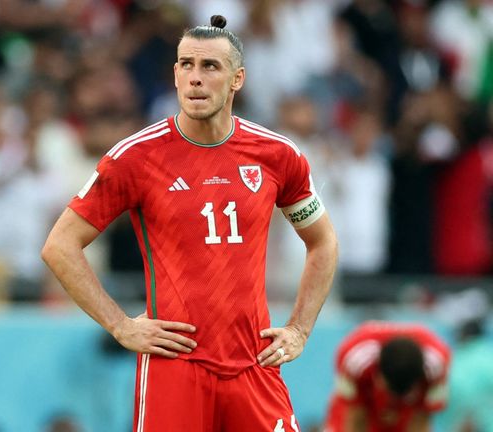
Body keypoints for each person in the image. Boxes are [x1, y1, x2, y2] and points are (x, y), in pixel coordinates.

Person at [41, 14, 338, 431]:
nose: (194, 78)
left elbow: (322, 242)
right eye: (186, 65)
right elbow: (60, 245)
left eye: (210, 67)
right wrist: (120, 325)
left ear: (237, 79)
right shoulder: (136, 157)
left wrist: (300, 330)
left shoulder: (277, 155)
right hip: (175, 367)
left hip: (254, 365)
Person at [324, 321, 452, 432]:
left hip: (405, 418)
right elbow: (356, 418)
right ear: (379, 374)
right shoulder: (355, 359)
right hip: (357, 411)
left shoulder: (436, 367)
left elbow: (421, 419)